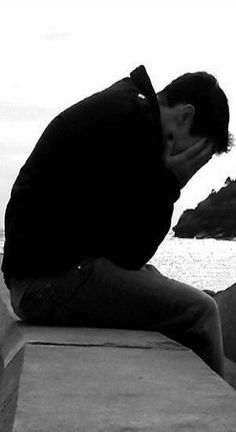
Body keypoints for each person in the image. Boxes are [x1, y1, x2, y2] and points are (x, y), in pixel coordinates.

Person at [1, 65, 232, 377]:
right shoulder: (132, 125)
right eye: (197, 151)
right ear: (185, 116)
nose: (193, 161)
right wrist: (170, 183)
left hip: (43, 274)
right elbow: (133, 251)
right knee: (201, 312)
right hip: (46, 283)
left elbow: (122, 246)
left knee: (184, 296)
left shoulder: (127, 108)